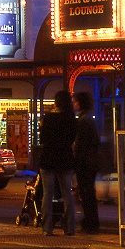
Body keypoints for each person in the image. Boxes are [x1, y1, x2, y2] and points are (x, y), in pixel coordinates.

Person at [38, 90, 77, 236]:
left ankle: (47, 228)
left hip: (48, 158)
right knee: (67, 193)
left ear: (56, 102)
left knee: (48, 193)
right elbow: (72, 139)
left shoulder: (47, 118)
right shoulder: (71, 118)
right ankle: (69, 227)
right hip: (65, 158)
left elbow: (42, 140)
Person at [73, 91, 101, 234]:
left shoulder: (83, 120)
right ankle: (91, 221)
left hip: (85, 162)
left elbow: (80, 145)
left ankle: (90, 223)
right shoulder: (90, 119)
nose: (74, 104)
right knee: (89, 192)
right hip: (91, 161)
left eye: (76, 101)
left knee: (86, 193)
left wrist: (76, 159)